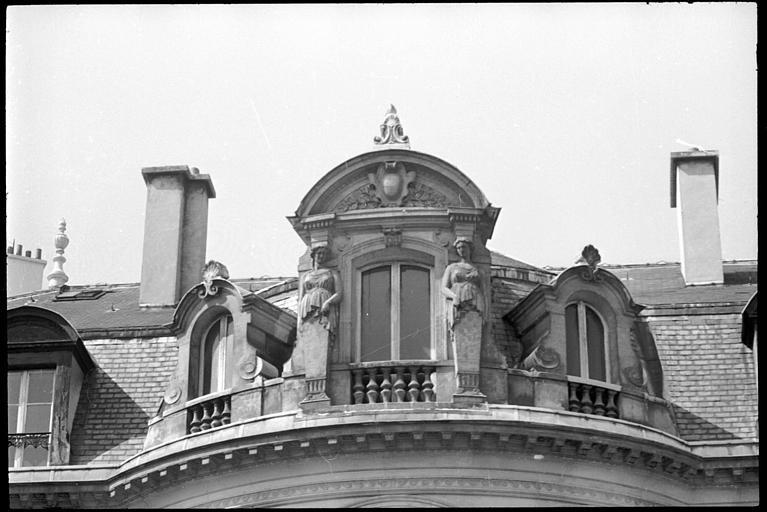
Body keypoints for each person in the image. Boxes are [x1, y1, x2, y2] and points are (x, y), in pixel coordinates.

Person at [298, 245, 342, 338]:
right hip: (307, 306)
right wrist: (299, 321)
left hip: (325, 305)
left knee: (323, 333)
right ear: (313, 255)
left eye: (324, 254)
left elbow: (339, 293)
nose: (322, 256)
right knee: (309, 335)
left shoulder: (332, 273)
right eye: (319, 253)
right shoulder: (305, 275)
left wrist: (328, 302)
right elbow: (300, 299)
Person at [441, 238, 484, 329]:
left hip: (475, 298)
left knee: (474, 324)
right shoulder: (452, 267)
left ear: (470, 249)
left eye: (464, 247)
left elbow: (485, 292)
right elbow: (443, 288)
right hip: (458, 298)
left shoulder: (478, 269)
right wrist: (454, 297)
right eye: (458, 248)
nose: (461, 250)